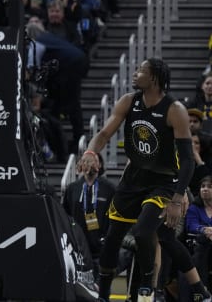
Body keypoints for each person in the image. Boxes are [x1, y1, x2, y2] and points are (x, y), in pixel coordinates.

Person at [77, 58, 212, 302]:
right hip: (133, 179)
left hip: (164, 182)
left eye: (141, 71)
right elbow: (105, 133)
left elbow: (188, 160)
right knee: (113, 241)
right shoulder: (128, 101)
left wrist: (178, 196)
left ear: (154, 78)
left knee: (144, 231)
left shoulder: (174, 110)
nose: (135, 73)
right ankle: (104, 294)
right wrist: (90, 152)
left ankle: (148, 286)